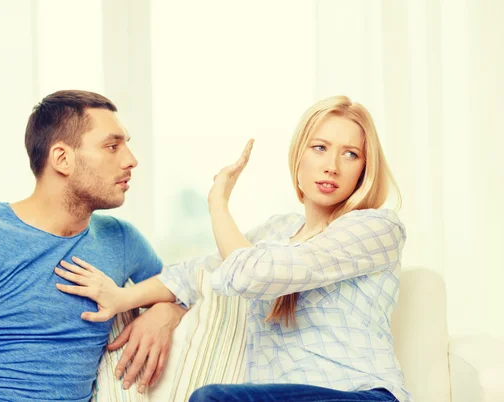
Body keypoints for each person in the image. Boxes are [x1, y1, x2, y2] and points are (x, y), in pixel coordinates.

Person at [54, 95, 410, 401]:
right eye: (320, 148)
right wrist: (121, 298)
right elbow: (199, 273)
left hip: (362, 395)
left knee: (213, 399)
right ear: (298, 157)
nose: (332, 167)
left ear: (365, 168)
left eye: (350, 154)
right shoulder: (278, 231)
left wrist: (218, 202)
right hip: (280, 394)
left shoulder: (376, 228)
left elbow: (253, 274)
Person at [0, 90, 185, 402]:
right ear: (62, 158)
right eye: (112, 146)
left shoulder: (121, 240)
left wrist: (167, 312)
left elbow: (184, 286)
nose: (131, 160)